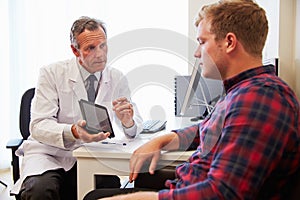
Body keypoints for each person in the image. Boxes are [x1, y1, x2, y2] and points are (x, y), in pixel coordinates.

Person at [84, 1, 300, 199]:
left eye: (202, 42)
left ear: (229, 42)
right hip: (186, 184)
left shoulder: (258, 99)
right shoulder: (242, 92)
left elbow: (221, 194)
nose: (197, 53)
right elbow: (203, 130)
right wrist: (161, 139)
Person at [10, 16, 143, 200]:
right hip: (49, 155)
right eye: (90, 48)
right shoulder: (51, 73)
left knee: (107, 192)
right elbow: (38, 125)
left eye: (103, 45)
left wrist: (128, 122)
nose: (100, 54)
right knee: (41, 191)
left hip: (92, 155)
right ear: (75, 50)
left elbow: (133, 129)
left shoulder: (116, 77)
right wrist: (73, 131)